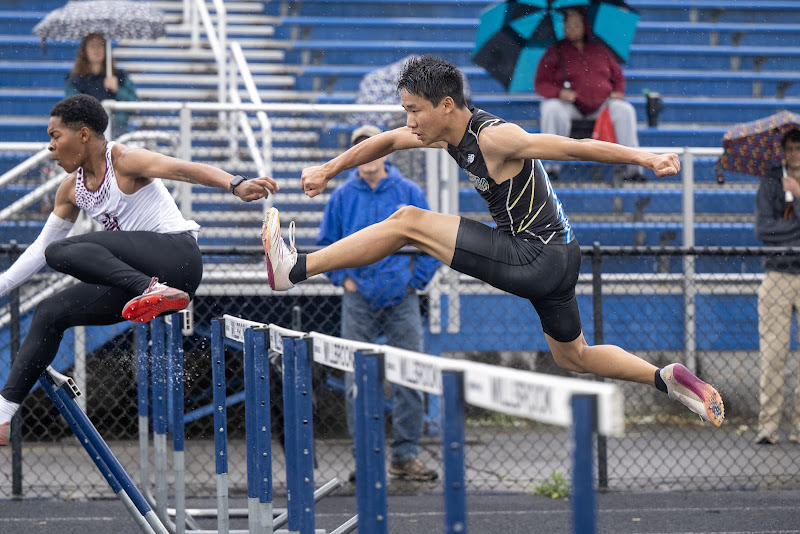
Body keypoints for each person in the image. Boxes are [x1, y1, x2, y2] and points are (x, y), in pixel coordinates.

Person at [261, 55, 726, 429]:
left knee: (407, 221)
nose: (409, 122)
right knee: (574, 356)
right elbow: (383, 143)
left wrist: (645, 157)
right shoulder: (442, 132)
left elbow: (572, 147)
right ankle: (664, 378)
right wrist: (328, 170)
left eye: (413, 111)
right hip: (562, 257)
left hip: (536, 255)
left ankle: (296, 268)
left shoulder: (496, 137)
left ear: (446, 104)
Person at [0, 94, 277, 445]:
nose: (50, 148)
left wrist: (235, 183)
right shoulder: (70, 189)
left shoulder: (125, 160)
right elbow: (40, 250)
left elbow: (181, 168)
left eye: (55, 137)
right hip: (144, 279)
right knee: (50, 311)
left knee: (62, 251)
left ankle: (149, 290)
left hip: (177, 257)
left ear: (83, 134)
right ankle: (4, 412)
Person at [317, 124, 441, 482]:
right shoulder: (342, 196)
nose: (368, 155)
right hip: (358, 299)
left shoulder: (408, 191)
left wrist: (413, 281)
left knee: (410, 377)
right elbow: (327, 243)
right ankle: (367, 459)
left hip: (401, 298)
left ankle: (405, 457)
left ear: (386, 152)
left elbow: (434, 240)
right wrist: (346, 280)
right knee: (359, 380)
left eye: (373, 147)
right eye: (361, 149)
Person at [534, 8, 645, 182]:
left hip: (602, 105)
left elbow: (618, 77)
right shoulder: (554, 51)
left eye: (576, 25)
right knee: (551, 109)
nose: (571, 29)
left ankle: (633, 170)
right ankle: (550, 168)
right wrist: (559, 93)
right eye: (567, 25)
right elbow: (541, 83)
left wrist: (617, 92)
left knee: (625, 110)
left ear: (585, 27)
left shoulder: (600, 50)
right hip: (570, 106)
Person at [753, 128, 800, 445]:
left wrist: (797, 195)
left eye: (799, 148)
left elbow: (776, 231)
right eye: (790, 148)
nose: (795, 154)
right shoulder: (770, 181)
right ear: (783, 151)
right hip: (778, 274)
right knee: (773, 353)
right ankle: (768, 424)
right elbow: (763, 229)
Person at [65, 33, 139, 137]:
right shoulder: (76, 80)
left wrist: (117, 90)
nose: (97, 50)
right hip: (88, 134)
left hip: (117, 133)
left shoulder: (119, 76)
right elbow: (71, 108)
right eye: (92, 46)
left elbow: (135, 105)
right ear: (84, 50)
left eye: (100, 45)